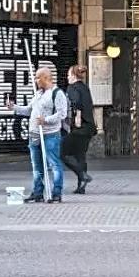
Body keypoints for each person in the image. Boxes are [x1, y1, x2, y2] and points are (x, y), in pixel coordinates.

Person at [7, 67, 69, 204]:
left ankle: (56, 193)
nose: (35, 80)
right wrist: (14, 108)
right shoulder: (38, 94)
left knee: (54, 164)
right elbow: (30, 110)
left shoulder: (57, 94)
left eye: (37, 77)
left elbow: (62, 114)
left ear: (46, 78)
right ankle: (38, 192)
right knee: (36, 165)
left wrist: (45, 120)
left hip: (50, 134)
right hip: (34, 134)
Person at [63, 65, 96, 194]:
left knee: (62, 152)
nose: (67, 78)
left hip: (79, 127)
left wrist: (77, 117)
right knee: (80, 155)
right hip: (89, 127)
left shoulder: (72, 88)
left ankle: (82, 175)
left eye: (68, 75)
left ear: (73, 76)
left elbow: (76, 103)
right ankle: (81, 185)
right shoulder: (85, 87)